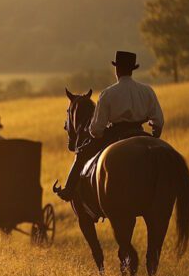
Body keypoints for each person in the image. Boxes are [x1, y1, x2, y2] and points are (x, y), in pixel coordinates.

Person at [56, 51, 164, 201]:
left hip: (115, 134)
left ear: (117, 69)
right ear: (132, 69)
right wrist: (154, 134)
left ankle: (68, 190)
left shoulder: (108, 93)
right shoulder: (147, 90)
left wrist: (96, 134)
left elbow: (96, 130)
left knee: (81, 154)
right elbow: (158, 121)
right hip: (140, 132)